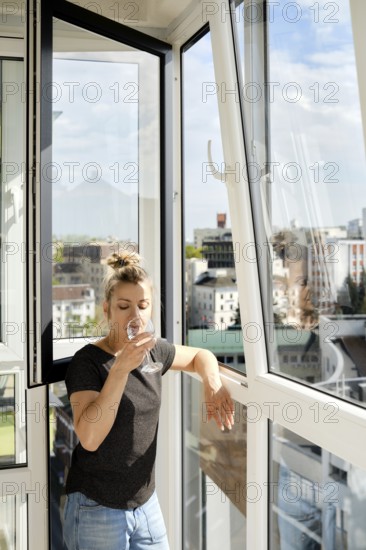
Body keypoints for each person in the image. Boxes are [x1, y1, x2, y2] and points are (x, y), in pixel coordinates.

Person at [63, 250, 235, 550]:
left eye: (143, 306)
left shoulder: (154, 352)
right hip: (97, 506)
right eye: (124, 306)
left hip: (145, 504)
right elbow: (89, 438)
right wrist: (120, 369)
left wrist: (211, 380)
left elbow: (199, 355)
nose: (135, 317)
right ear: (107, 310)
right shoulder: (87, 363)